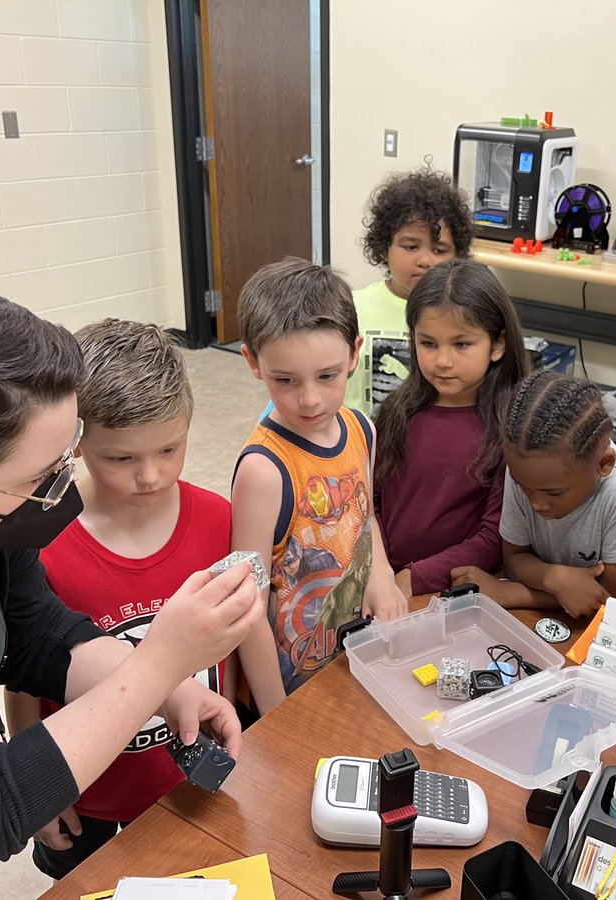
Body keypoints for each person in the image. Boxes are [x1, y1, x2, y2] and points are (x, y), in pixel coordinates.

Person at [0, 276, 263, 899]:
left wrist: (169, 689)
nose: (59, 495)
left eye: (67, 459)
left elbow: (38, 636)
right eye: (37, 477)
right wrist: (160, 661)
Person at [4, 319, 238, 880]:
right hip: (87, 783)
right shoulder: (38, 542)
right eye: (121, 458)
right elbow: (24, 672)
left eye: (169, 448)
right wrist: (37, 781)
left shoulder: (219, 520)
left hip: (189, 772)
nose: (150, 475)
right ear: (76, 441)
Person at [231, 258, 407, 698]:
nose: (309, 399)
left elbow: (364, 518)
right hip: (288, 683)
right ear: (253, 361)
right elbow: (246, 603)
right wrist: (273, 717)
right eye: (285, 380)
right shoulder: (263, 471)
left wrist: (381, 576)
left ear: (355, 353)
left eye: (327, 376)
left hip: (351, 653)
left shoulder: (363, 429)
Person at [373, 260, 529, 596]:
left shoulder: (510, 428)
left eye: (461, 344)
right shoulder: (394, 412)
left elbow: (494, 538)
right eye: (428, 343)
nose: (442, 361)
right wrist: (381, 570)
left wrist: (414, 578)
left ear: (498, 344)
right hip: (382, 582)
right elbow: (371, 503)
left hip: (453, 592)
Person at [453, 371, 616, 618]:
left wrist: (509, 594)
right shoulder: (525, 472)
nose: (536, 503)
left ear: (604, 464)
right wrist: (556, 579)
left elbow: (609, 597)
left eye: (553, 493)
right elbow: (514, 558)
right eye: (521, 485)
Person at [344, 169, 473, 415]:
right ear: (384, 248)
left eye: (440, 250)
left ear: (457, 255)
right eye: (411, 246)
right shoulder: (351, 309)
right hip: (360, 440)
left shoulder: (465, 314)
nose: (425, 260)